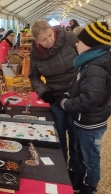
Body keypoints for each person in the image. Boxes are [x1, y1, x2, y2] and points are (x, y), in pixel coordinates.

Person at [58, 20, 111, 194]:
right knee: (81, 153)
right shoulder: (88, 63)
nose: (76, 43)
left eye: (79, 41)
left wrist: (67, 104)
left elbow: (90, 99)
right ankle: (80, 182)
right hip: (84, 121)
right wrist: (68, 94)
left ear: (90, 45)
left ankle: (91, 187)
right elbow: (81, 87)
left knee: (91, 158)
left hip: (90, 123)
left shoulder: (95, 67)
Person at [28, 20, 79, 185]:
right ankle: (61, 171)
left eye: (50, 35)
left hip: (76, 94)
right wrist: (44, 92)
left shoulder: (70, 38)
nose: (49, 40)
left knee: (75, 133)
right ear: (36, 41)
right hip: (55, 97)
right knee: (59, 134)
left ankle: (76, 172)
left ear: (53, 30)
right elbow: (33, 76)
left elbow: (85, 59)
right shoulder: (35, 54)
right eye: (43, 39)